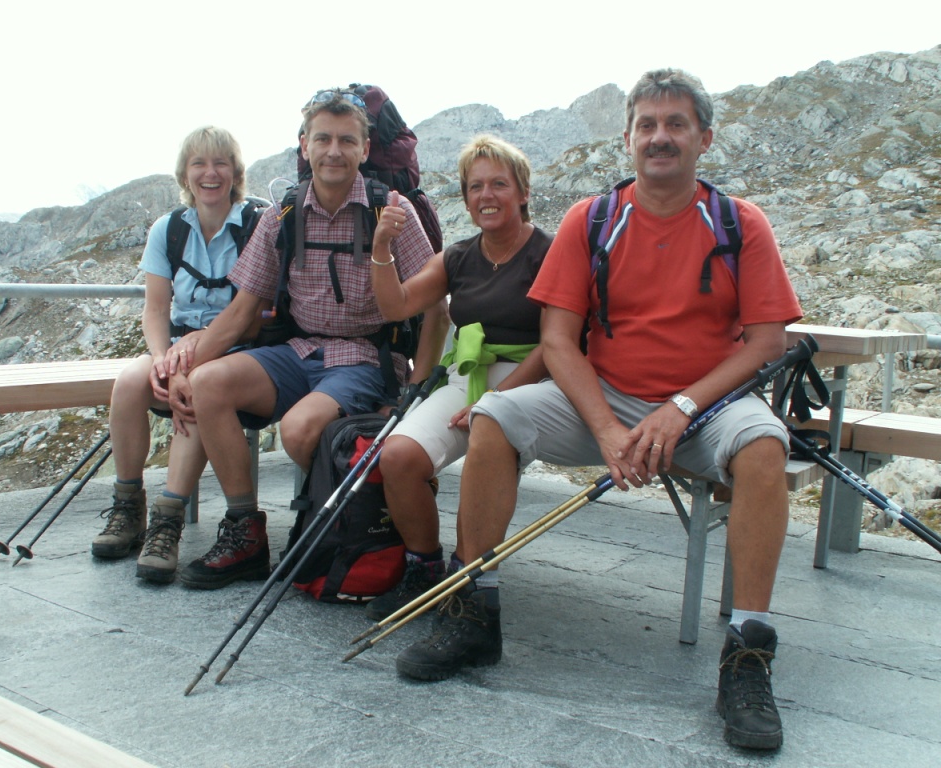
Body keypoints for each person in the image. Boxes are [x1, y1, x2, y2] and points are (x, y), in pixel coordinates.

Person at [395, 69, 802, 752]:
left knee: (764, 445)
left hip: (707, 404)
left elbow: (767, 342)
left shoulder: (741, 224)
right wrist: (609, 429)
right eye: (647, 124)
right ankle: (472, 610)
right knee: (494, 417)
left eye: (675, 124)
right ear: (628, 138)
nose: (660, 137)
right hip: (602, 396)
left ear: (703, 138)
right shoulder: (594, 219)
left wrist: (680, 407)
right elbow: (558, 338)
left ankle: (748, 653)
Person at [168, 89, 449, 590]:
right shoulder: (284, 212)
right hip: (297, 351)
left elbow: (435, 309)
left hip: (365, 357)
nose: (333, 151)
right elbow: (241, 311)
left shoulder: (391, 210)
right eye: (322, 139)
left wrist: (417, 391)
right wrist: (184, 368)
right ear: (304, 145)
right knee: (208, 383)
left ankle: (344, 522)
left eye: (346, 140)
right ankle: (246, 533)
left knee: (299, 430)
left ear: (365, 148)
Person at [365, 134, 551, 620]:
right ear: (466, 199)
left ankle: (466, 576)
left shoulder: (550, 253)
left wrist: (494, 400)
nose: (486, 195)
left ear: (523, 192)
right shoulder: (458, 257)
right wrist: (382, 246)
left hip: (534, 382)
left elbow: (555, 345)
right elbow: (396, 305)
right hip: (469, 375)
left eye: (499, 184)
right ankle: (423, 567)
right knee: (398, 456)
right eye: (475, 187)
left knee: (486, 455)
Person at [92, 126, 260, 585]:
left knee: (198, 389)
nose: (210, 173)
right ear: (185, 175)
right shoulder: (168, 230)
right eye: (199, 164)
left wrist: (192, 358)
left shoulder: (255, 227)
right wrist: (161, 358)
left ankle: (167, 521)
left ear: (235, 172)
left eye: (221, 163)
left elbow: (254, 315)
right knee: (130, 382)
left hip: (234, 346)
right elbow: (154, 310)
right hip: (178, 345)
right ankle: (129, 509)